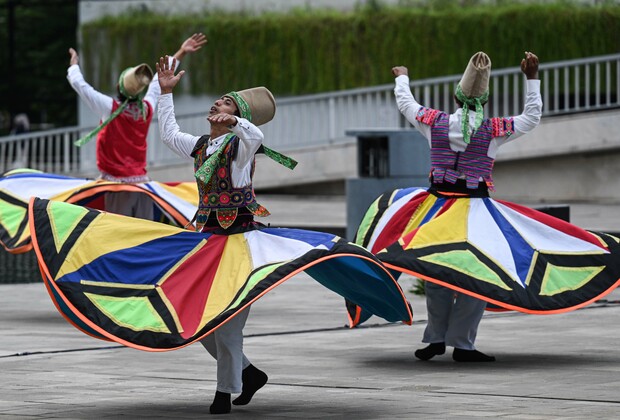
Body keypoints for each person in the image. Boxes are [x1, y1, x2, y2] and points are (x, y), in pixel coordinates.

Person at [154, 53, 412, 414]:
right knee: (198, 323)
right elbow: (167, 133)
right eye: (220, 99)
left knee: (226, 324)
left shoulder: (240, 149)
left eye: (227, 101)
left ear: (237, 114)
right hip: (208, 244)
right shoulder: (200, 146)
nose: (218, 102)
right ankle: (248, 373)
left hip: (241, 246)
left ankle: (223, 394)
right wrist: (164, 92)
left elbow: (256, 136)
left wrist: (237, 123)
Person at [66, 33, 207, 219]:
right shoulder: (146, 108)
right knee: (144, 233)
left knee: (119, 232)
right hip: (142, 185)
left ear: (119, 87)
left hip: (116, 185)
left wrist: (74, 65)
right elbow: (158, 82)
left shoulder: (109, 107)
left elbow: (80, 85)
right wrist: (181, 52)